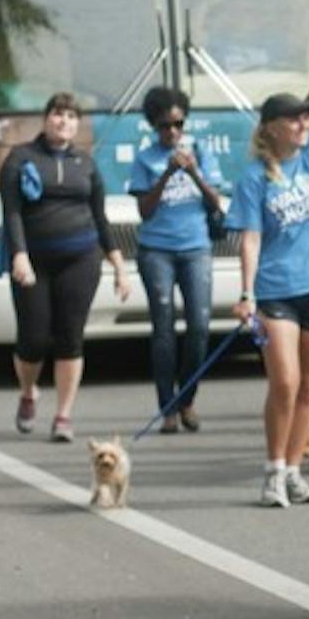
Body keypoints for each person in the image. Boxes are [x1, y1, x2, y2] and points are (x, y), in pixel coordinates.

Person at [226, 6, 309, 508]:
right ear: (271, 128)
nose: (304, 122)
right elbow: (250, 238)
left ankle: (296, 470)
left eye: (306, 116)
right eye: (294, 118)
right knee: (286, 380)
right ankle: (274, 468)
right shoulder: (255, 178)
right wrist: (247, 292)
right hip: (277, 291)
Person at [0, 92, 130, 440]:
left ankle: (63, 416)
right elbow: (11, 211)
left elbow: (100, 217)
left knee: (71, 337)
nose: (64, 122)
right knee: (34, 339)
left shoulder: (84, 162)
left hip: (80, 257)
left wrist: (117, 264)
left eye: (72, 117)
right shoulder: (21, 157)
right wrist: (19, 255)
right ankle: (28, 392)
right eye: (58, 115)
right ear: (46, 119)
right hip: (35, 259)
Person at [129, 86, 225, 433]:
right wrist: (168, 173)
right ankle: (167, 406)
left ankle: (187, 399)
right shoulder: (146, 159)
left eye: (177, 124)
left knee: (199, 327)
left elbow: (216, 203)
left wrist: (195, 173)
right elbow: (144, 210)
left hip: (196, 247)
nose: (171, 132)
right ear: (153, 127)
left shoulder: (200, 152)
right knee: (164, 329)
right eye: (163, 126)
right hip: (157, 251)